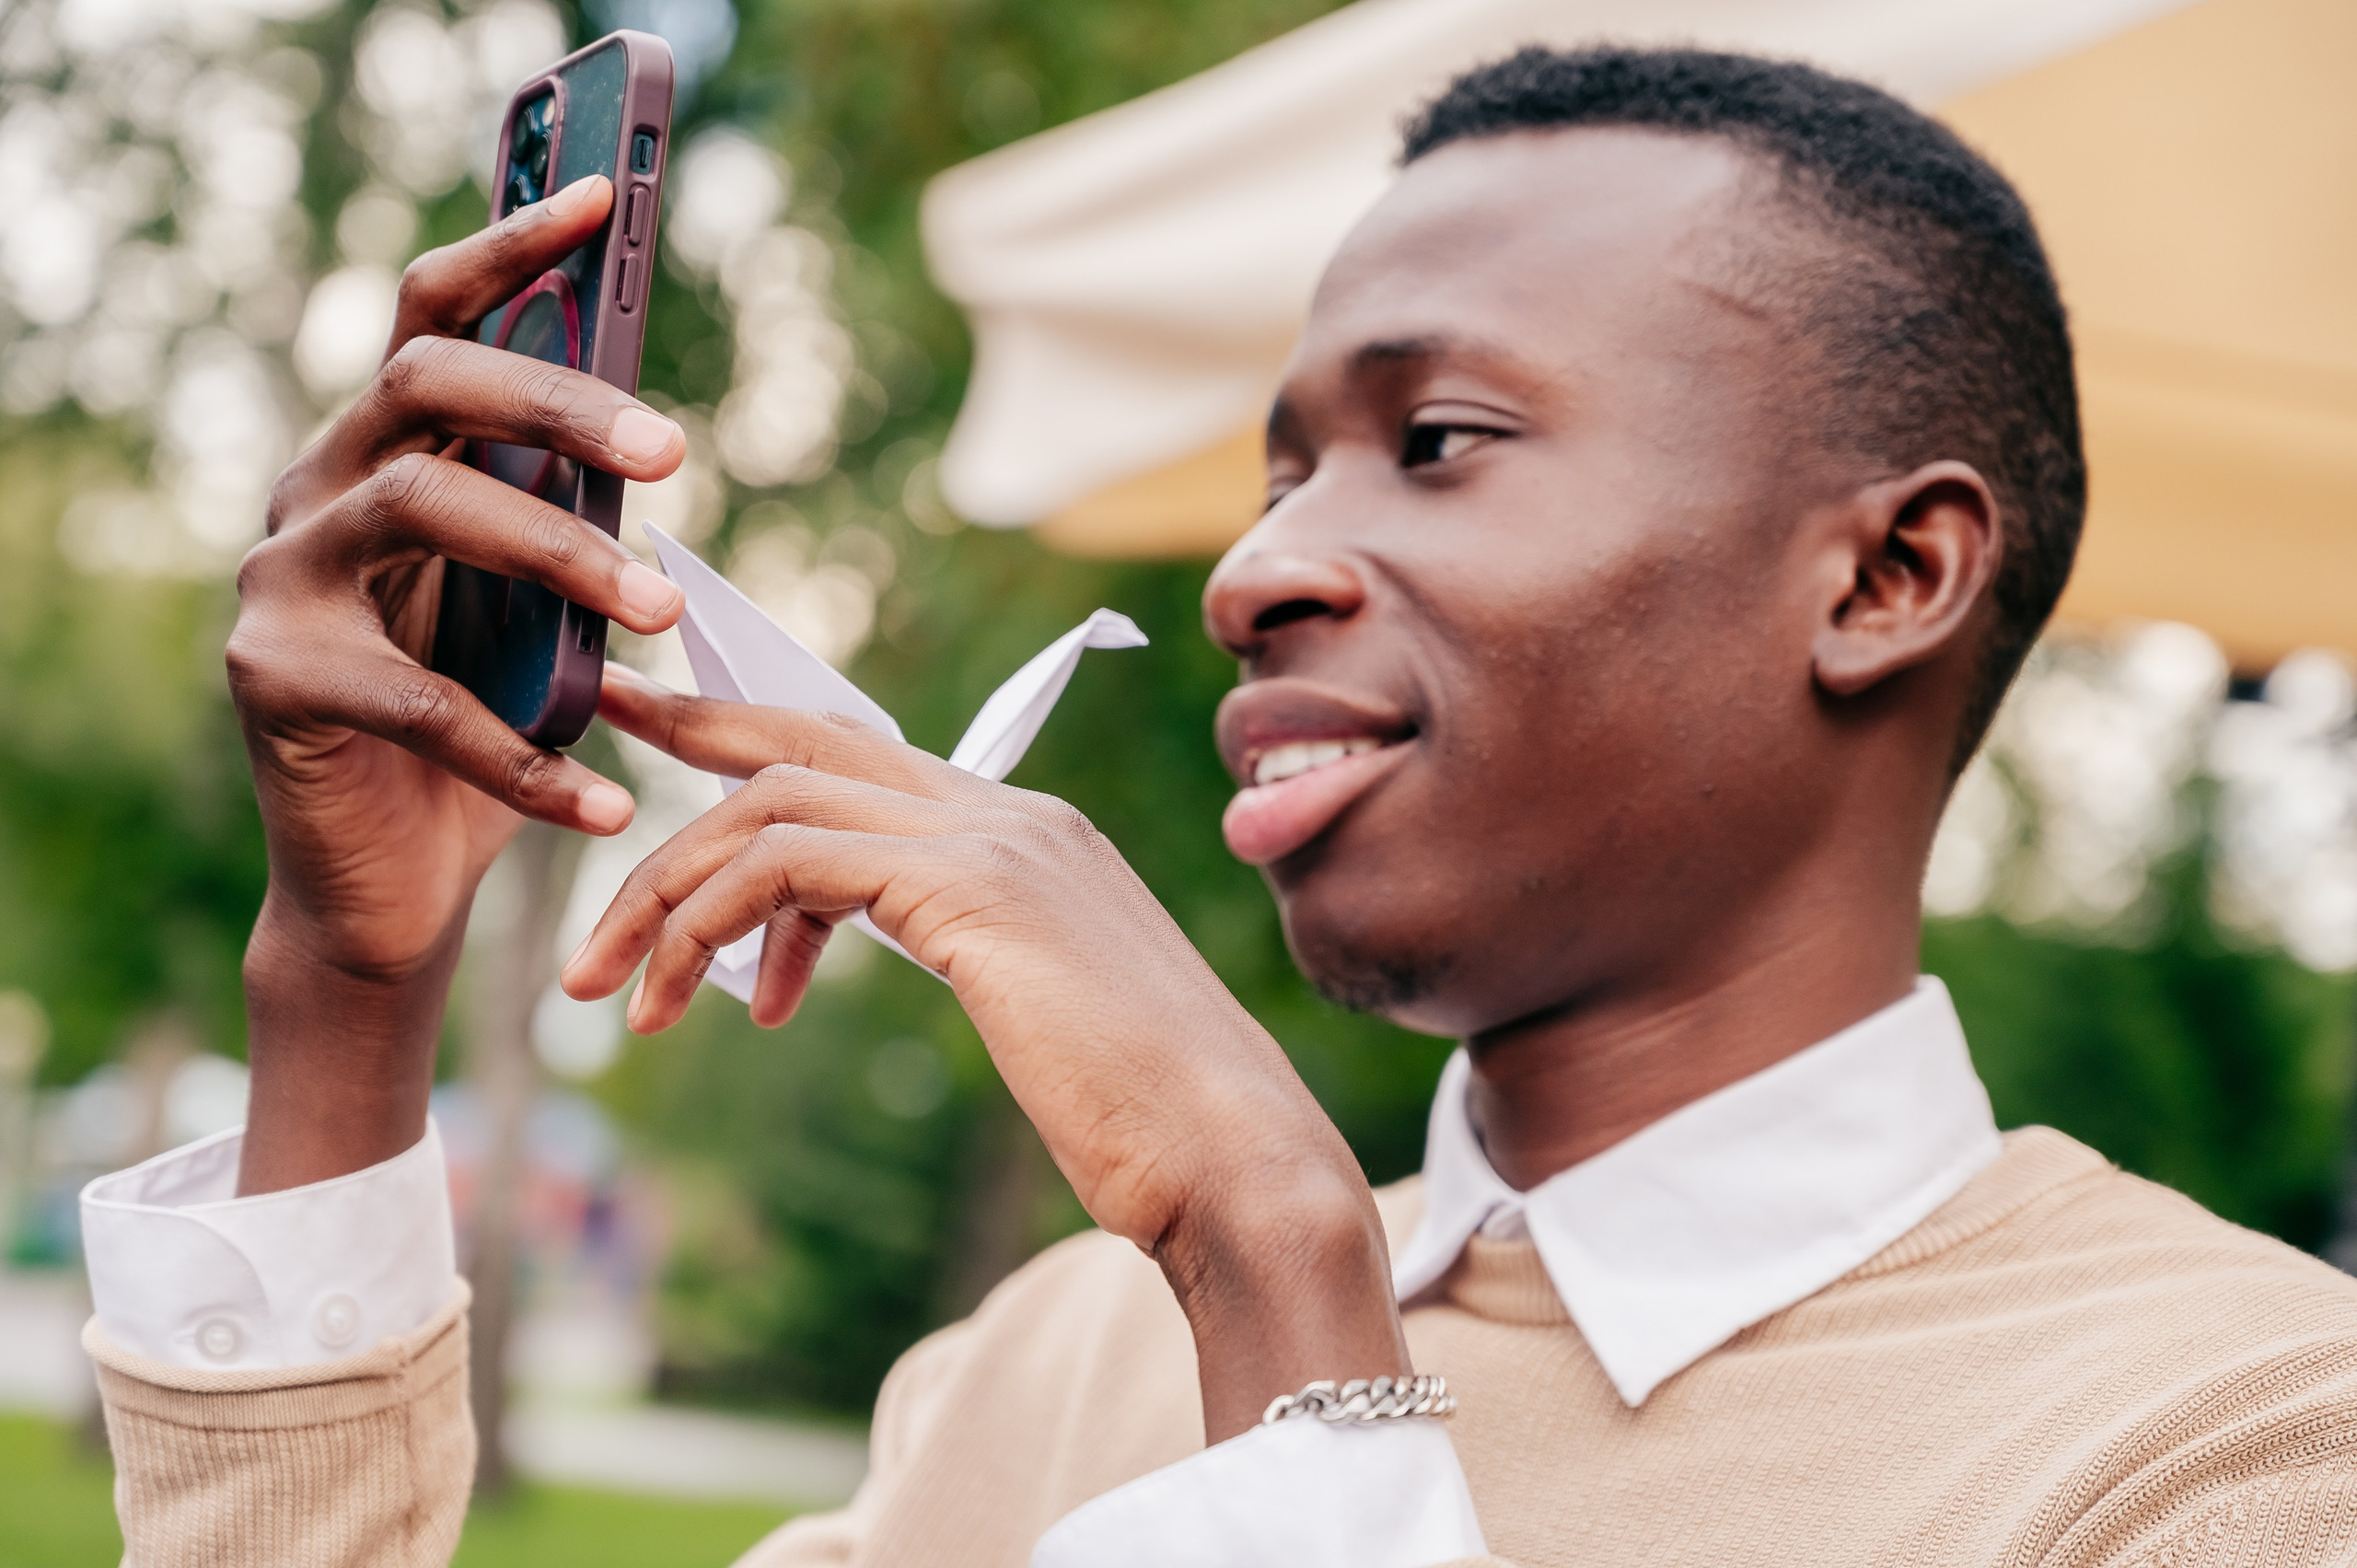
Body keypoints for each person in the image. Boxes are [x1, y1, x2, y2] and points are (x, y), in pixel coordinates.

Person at [76, 44, 2357, 1568]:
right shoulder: (1051, 1369)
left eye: (1436, 440)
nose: (1255, 567)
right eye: (1276, 470)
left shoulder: (2232, 1450)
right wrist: (346, 1001)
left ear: (1883, 573)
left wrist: (1280, 1273)